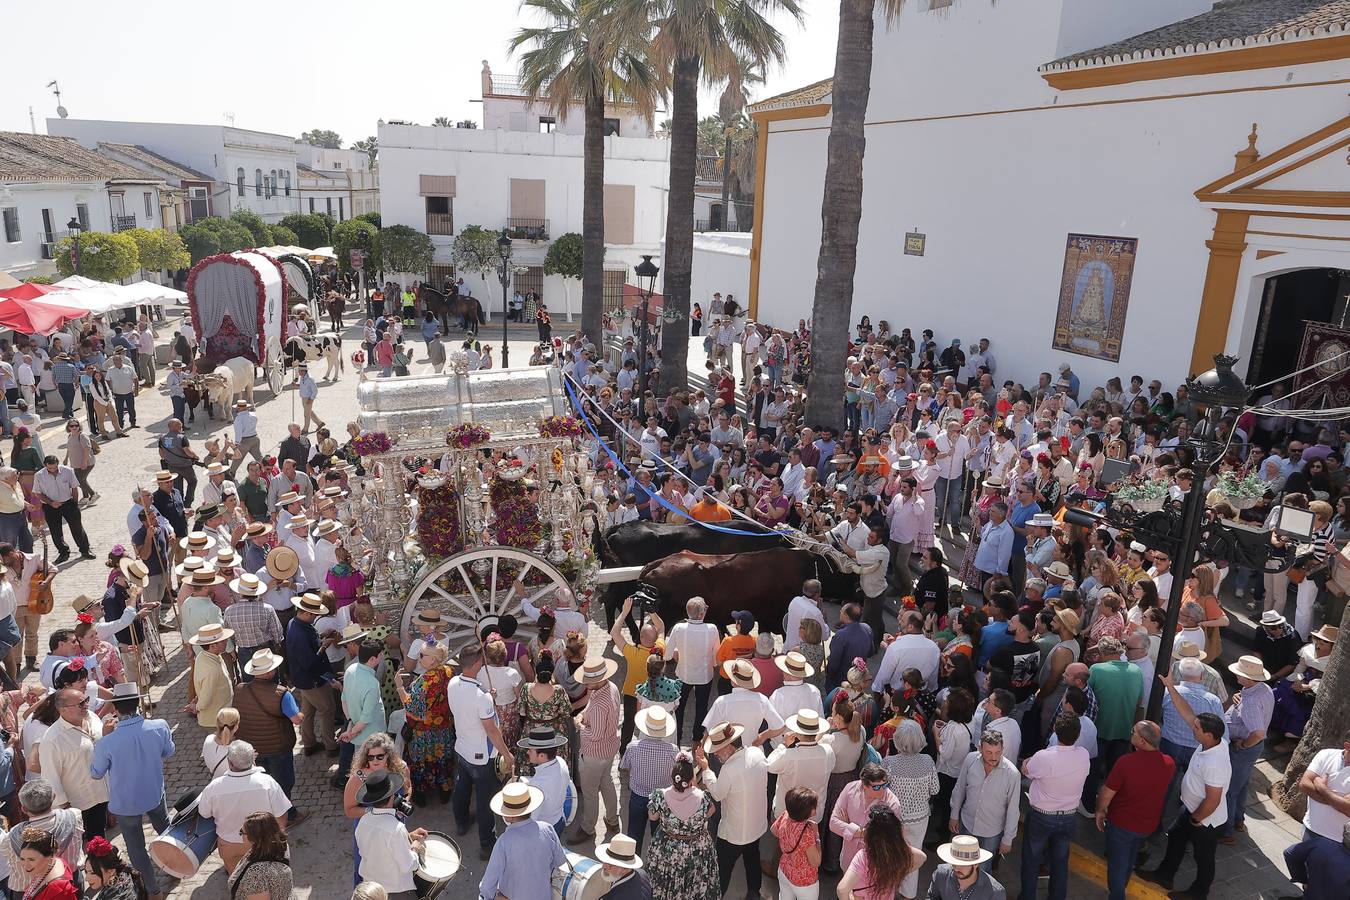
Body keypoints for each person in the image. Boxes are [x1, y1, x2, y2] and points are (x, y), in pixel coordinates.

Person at [1138, 673, 1232, 899]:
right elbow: (1187, 712)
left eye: (1196, 728)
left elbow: (1213, 799)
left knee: (1203, 857)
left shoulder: (1215, 762)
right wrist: (1170, 686)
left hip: (1205, 819)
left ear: (1208, 735)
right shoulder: (1212, 741)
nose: (1192, 728)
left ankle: (1199, 893)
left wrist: (1196, 819)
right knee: (1176, 838)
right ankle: (1165, 875)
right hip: (1191, 810)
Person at [88, 683, 173, 899]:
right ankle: (175, 867)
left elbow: (96, 773)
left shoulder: (107, 742)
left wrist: (103, 738)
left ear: (115, 709)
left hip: (126, 803)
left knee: (136, 848)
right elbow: (168, 751)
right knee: (166, 830)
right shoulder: (160, 726)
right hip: (154, 792)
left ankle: (153, 890)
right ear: (137, 703)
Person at [447, 642, 514, 859]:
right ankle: (487, 844)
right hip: (482, 757)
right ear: (477, 663)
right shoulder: (481, 696)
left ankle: (461, 822)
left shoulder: (453, 683)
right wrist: (507, 754)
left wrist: (488, 699)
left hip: (462, 747)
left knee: (462, 789)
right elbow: (492, 731)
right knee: (486, 802)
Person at [1094, 720, 1173, 900]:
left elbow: (1106, 793)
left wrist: (1100, 811)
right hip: (1147, 824)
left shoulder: (1126, 762)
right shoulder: (1169, 763)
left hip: (1122, 824)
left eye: (1133, 732)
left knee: (1117, 866)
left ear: (1142, 741)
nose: (1131, 734)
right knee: (1129, 860)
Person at [1018, 712, 1091, 900]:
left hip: (1041, 816)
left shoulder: (1044, 757)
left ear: (1055, 731)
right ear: (1078, 734)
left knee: (1031, 860)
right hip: (1069, 817)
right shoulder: (1084, 755)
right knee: (1060, 863)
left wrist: (1026, 761)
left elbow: (1027, 770)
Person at [233, 650, 307, 828]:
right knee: (283, 783)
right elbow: (296, 720)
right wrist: (303, 712)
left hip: (253, 749)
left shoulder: (240, 689)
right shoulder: (282, 694)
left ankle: (265, 816)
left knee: (260, 784)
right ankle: (288, 816)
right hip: (278, 749)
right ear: (269, 672)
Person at [196, 740, 292, 874]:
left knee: (237, 879)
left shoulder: (213, 787)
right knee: (267, 876)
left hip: (230, 844)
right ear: (253, 758)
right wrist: (277, 836)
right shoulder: (267, 782)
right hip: (263, 841)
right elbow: (281, 814)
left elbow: (204, 813)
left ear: (230, 763)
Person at [698, 721, 770, 899]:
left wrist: (706, 769)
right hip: (756, 826)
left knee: (722, 870)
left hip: (733, 833)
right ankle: (754, 895)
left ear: (729, 747)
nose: (715, 753)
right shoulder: (757, 753)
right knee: (752, 860)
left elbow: (717, 793)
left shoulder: (729, 769)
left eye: (718, 749)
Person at [1285, 729, 1350, 899]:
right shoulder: (1326, 754)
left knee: (1329, 883)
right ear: (1347, 746)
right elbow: (1305, 785)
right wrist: (1337, 800)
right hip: (1310, 829)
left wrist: (1321, 788)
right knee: (1309, 873)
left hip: (1338, 842)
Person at [646, 754, 719, 900]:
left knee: (665, 881)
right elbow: (711, 811)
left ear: (673, 776)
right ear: (692, 777)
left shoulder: (660, 796)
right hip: (697, 850)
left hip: (667, 849)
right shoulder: (703, 797)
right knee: (696, 882)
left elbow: (652, 817)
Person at [342, 733, 411, 886]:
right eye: (370, 757)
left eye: (380, 756)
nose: (375, 760)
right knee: (369, 866)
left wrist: (404, 801)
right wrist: (375, 811)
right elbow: (349, 810)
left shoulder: (400, 768)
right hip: (369, 828)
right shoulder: (358, 777)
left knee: (399, 859)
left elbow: (408, 788)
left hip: (396, 822)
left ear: (388, 755)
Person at [41, 687, 110, 839]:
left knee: (100, 836)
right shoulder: (52, 740)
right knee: (85, 843)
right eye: (80, 704)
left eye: (86, 700)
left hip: (102, 793)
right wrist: (65, 807)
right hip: (79, 804)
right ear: (62, 709)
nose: (86, 705)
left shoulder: (92, 717)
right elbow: (50, 778)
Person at [1219, 655, 1274, 843]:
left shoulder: (1251, 701)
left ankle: (1226, 832)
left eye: (1239, 673)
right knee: (1241, 785)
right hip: (1251, 749)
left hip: (1243, 748)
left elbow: (1258, 733)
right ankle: (1238, 820)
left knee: (1229, 790)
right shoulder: (1263, 689)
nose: (1236, 675)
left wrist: (1242, 745)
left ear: (1249, 678)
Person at [480, 781, 566, 900]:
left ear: (509, 816)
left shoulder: (503, 842)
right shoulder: (548, 829)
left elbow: (487, 887)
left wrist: (496, 896)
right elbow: (560, 861)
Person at [950, 729, 1020, 872]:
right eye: (989, 752)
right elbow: (960, 788)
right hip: (967, 824)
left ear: (1003, 749)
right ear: (980, 748)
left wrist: (1008, 839)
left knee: (982, 870)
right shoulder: (970, 760)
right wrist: (954, 815)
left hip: (992, 832)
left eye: (997, 752)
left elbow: (1013, 809)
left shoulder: (1012, 774)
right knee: (961, 865)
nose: (994, 757)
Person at [395, 641, 455, 805]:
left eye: (421, 655)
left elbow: (412, 709)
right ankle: (444, 789)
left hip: (423, 731)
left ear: (433, 660)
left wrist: (400, 687)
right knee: (442, 758)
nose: (419, 658)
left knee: (420, 761)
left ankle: (420, 794)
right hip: (444, 727)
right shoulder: (449, 671)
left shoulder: (424, 681)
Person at [571, 655, 622, 844]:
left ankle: (588, 827)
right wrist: (583, 714)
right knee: (607, 781)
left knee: (590, 792)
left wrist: (579, 724)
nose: (586, 683)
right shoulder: (611, 687)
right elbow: (590, 707)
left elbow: (595, 735)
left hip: (594, 754)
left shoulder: (600, 703)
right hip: (609, 749)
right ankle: (612, 820)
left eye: (589, 680)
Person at [354, 770, 426, 900]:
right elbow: (408, 866)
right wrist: (415, 848)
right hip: (395, 892)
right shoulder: (396, 829)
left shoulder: (363, 821)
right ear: (392, 796)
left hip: (371, 890)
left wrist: (408, 836)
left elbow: (379, 844)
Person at [620, 707, 679, 852]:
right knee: (660, 838)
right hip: (662, 799)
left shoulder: (632, 747)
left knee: (634, 837)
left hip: (638, 796)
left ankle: (633, 862)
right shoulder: (673, 750)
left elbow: (624, 767)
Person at [835, 805, 925, 900]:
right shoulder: (898, 853)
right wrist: (898, 874)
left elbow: (842, 889)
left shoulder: (864, 857)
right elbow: (922, 857)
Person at [665, 597, 718, 741]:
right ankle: (697, 740)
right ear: (701, 614)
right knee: (701, 708)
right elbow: (715, 659)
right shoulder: (712, 629)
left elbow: (667, 655)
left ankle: (677, 738)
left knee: (679, 708)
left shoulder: (678, 628)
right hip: (704, 676)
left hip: (683, 675)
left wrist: (678, 651)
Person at [32, 455, 94, 561]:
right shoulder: (39, 475)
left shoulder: (67, 471)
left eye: (55, 467)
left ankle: (85, 550)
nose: (53, 470)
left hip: (68, 503)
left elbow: (74, 488)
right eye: (50, 468)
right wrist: (51, 503)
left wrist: (74, 504)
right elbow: (38, 493)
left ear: (58, 464)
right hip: (50, 506)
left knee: (77, 528)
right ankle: (63, 552)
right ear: (45, 465)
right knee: (55, 531)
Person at [226, 811, 293, 900]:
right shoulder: (281, 846)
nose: (240, 835)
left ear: (254, 839)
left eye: (241, 832)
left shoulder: (255, 876)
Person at [925, 835, 1006, 900]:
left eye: (962, 864)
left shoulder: (994, 892)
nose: (956, 868)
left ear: (976, 864)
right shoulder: (941, 874)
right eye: (954, 863)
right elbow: (932, 897)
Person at [14, 828, 77, 900]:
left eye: (31, 859)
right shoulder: (49, 866)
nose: (25, 865)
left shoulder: (59, 889)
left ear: (50, 856)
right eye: (22, 859)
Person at [596, 833, 652, 900]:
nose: (603, 866)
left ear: (625, 868)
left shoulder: (618, 897)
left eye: (611, 865)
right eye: (605, 861)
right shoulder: (642, 873)